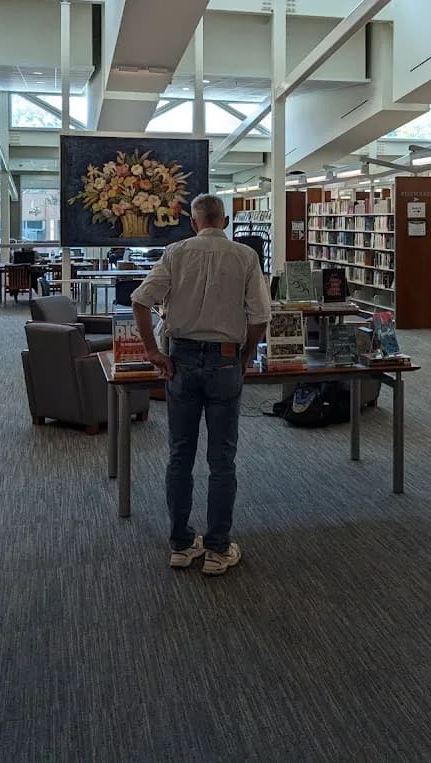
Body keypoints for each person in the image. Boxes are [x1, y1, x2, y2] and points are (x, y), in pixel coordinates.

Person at [131, 193, 271, 576]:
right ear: (224, 222)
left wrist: (152, 352)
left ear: (194, 223)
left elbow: (140, 301)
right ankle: (217, 548)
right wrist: (245, 356)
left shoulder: (175, 253)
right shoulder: (246, 256)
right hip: (225, 360)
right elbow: (260, 316)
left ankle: (180, 544)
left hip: (181, 361)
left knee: (180, 454)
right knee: (222, 458)